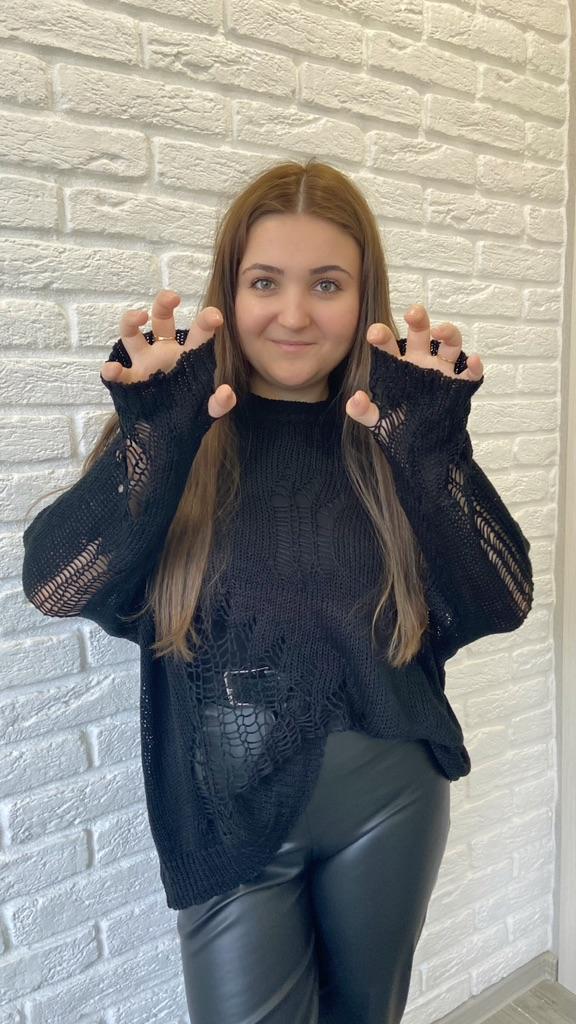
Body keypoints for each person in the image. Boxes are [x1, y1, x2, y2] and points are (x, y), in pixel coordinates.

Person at [21, 158, 534, 1023]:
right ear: (230, 291)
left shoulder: (394, 430)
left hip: (393, 795)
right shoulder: (177, 424)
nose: (294, 314)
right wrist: (156, 441)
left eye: (326, 284)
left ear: (363, 299)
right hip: (227, 814)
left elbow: (503, 595)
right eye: (266, 282)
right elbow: (56, 584)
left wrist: (433, 452)